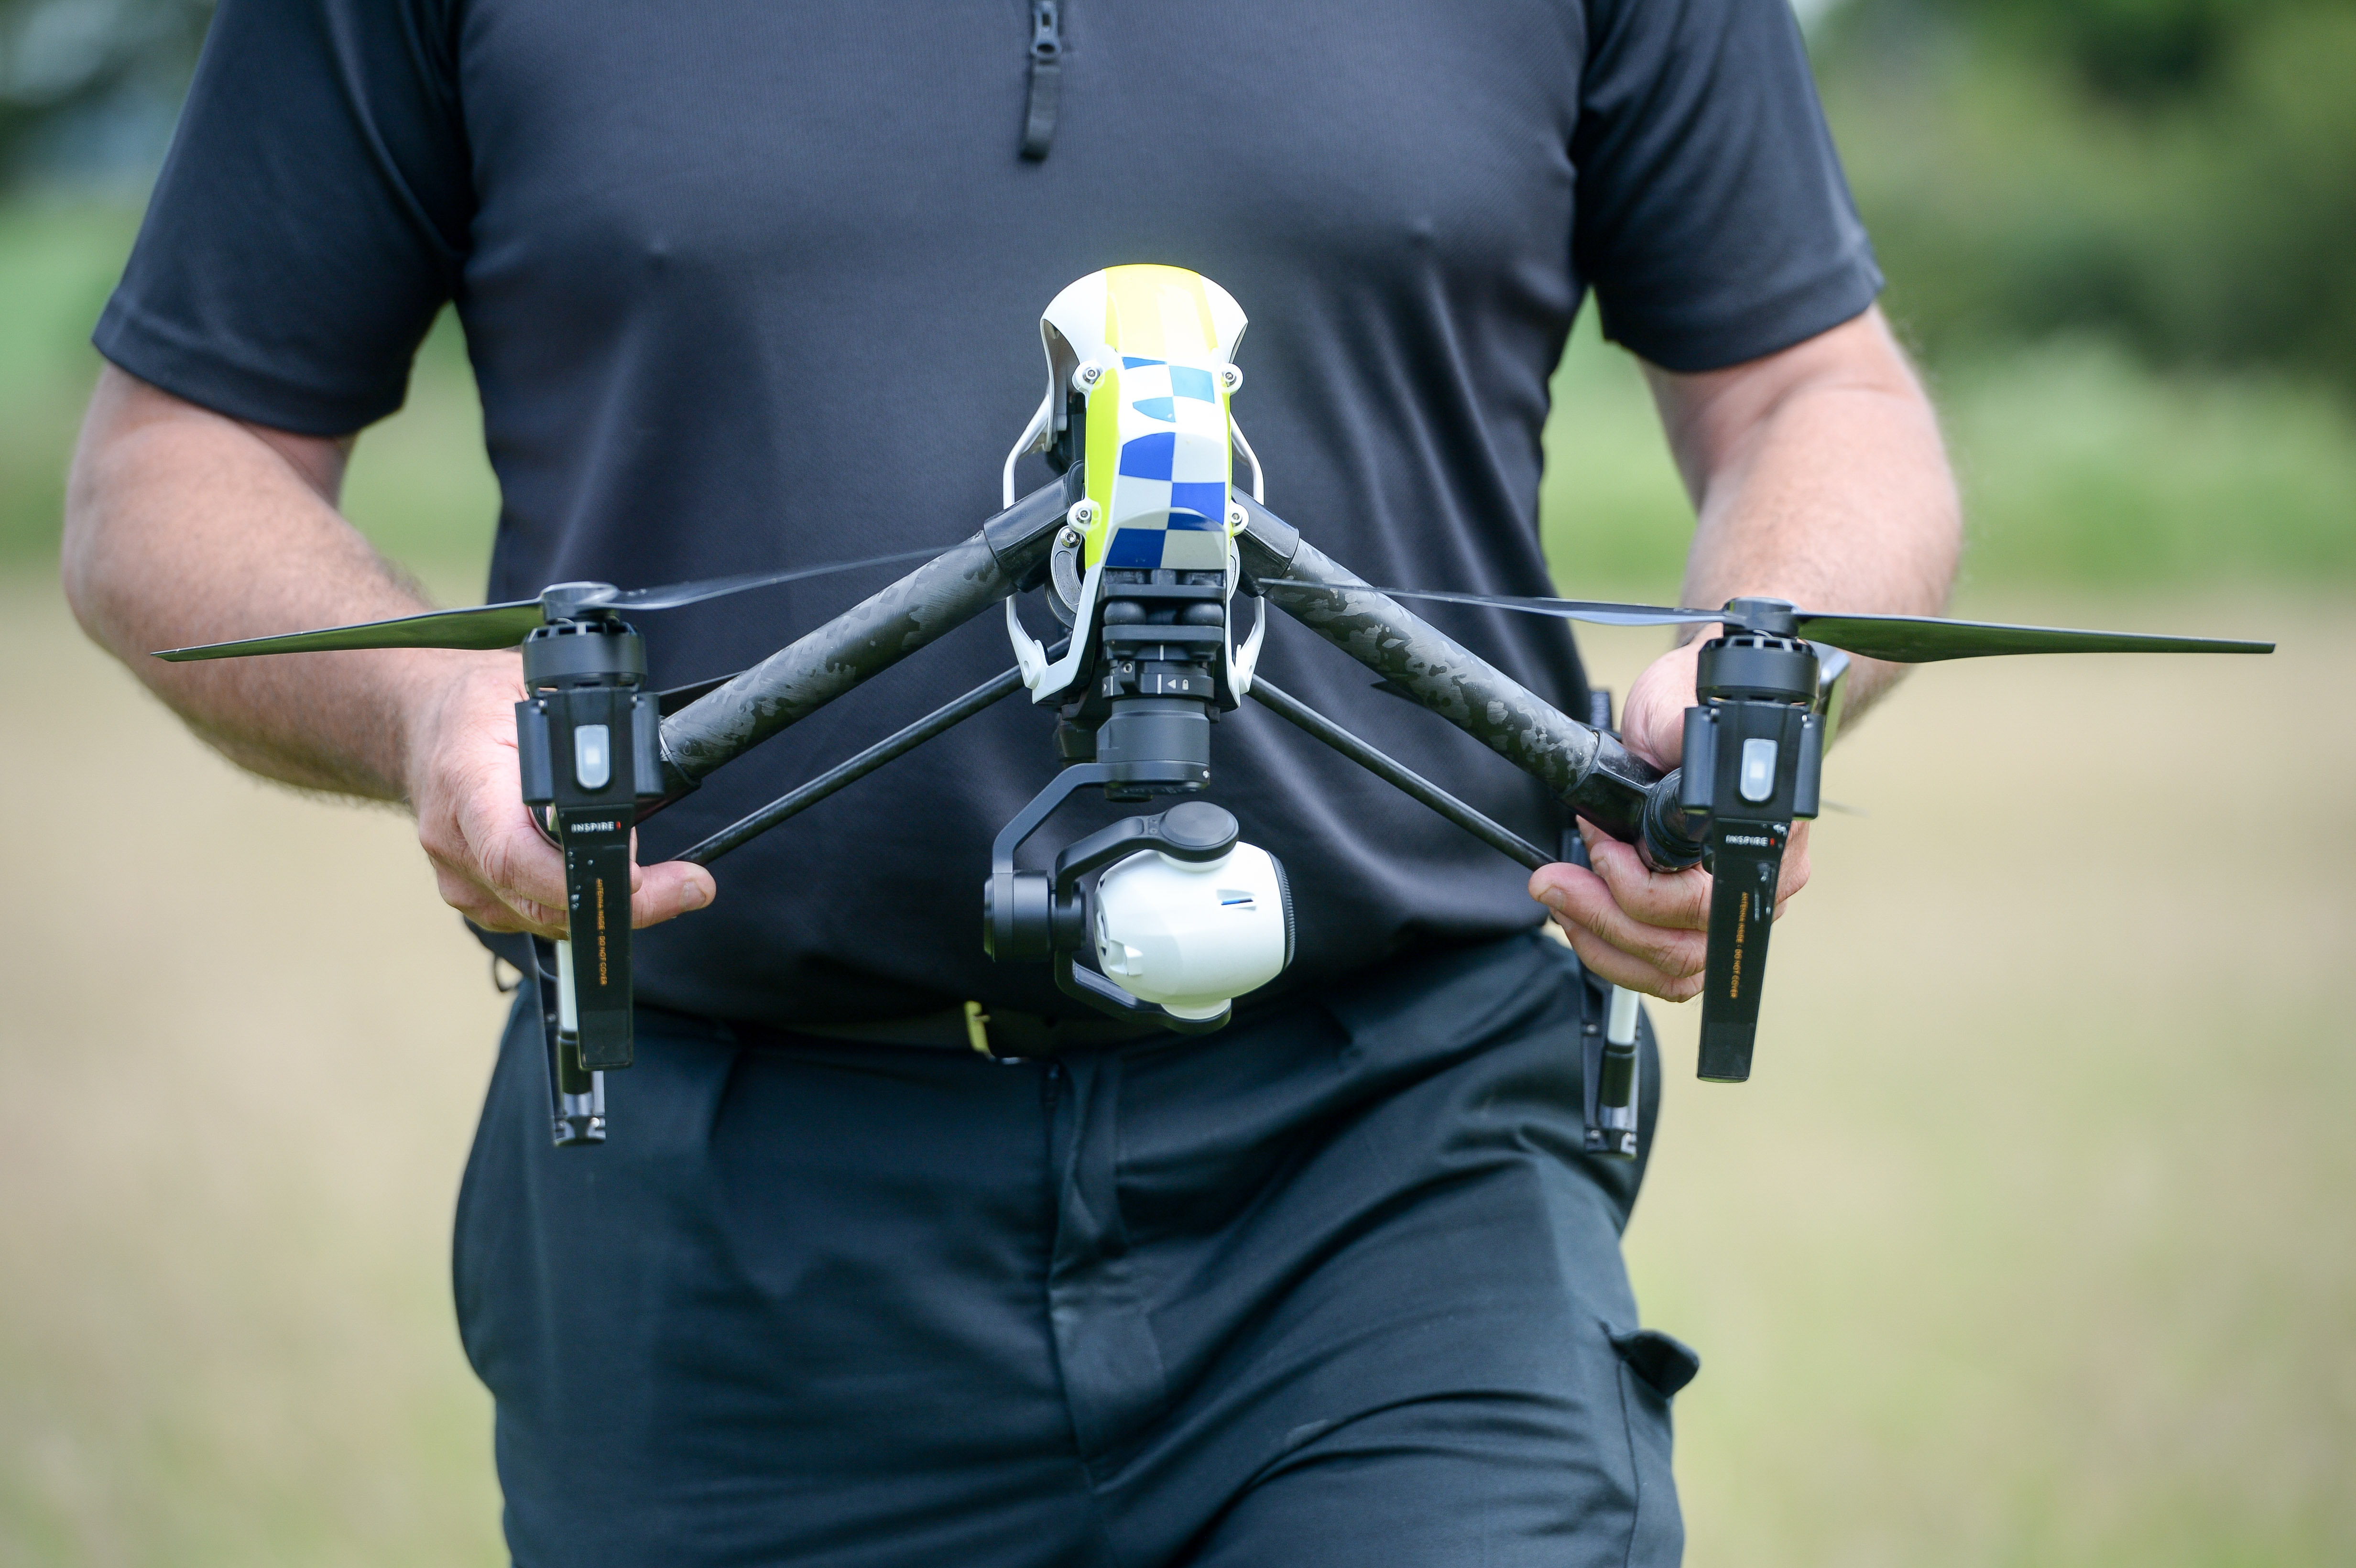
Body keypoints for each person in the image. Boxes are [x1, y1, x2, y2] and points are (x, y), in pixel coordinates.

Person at [62, 0, 1959, 1561]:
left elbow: (1816, 392)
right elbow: (171, 470)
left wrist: (1751, 684)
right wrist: (423, 714)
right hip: (731, 1212)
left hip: (1399, 1162)